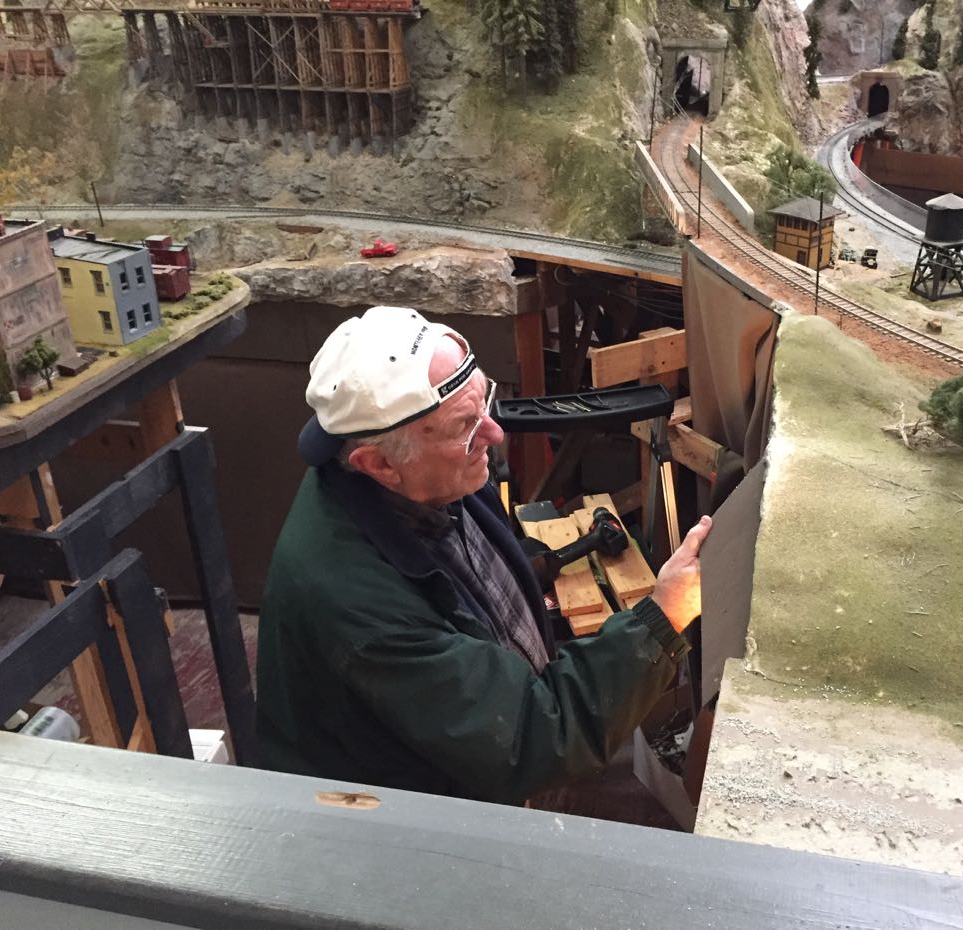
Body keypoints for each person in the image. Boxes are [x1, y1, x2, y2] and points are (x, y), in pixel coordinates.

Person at [257, 305, 711, 805]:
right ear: (380, 463)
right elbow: (530, 739)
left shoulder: (424, 475)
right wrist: (664, 615)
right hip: (402, 832)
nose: (494, 434)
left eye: (485, 403)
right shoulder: (358, 608)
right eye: (466, 427)